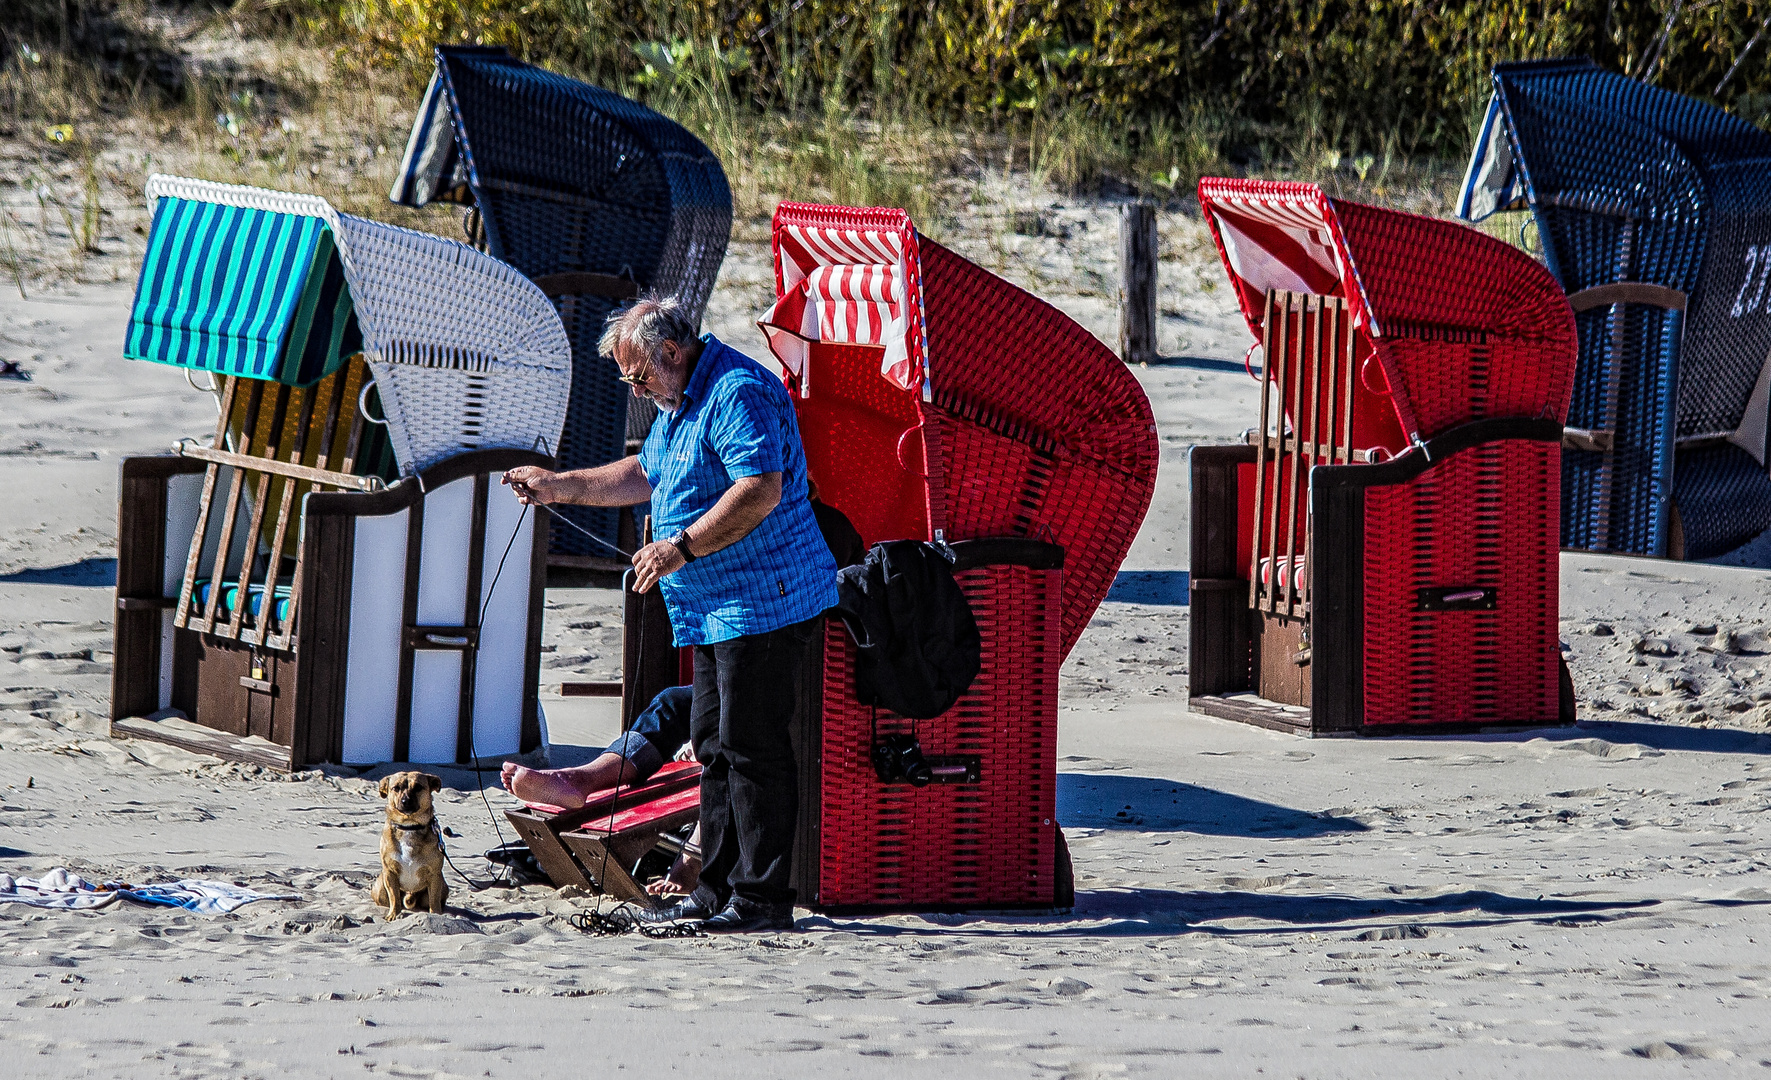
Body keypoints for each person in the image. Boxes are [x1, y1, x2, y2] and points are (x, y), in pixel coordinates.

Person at [503, 295, 838, 933]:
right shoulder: (679, 401)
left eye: (638, 376)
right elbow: (646, 474)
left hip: (768, 599)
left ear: (673, 352)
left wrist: (680, 546)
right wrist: (558, 485)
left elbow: (759, 487)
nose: (635, 388)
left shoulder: (738, 391)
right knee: (711, 746)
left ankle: (761, 900)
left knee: (751, 749)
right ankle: (714, 891)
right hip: (715, 608)